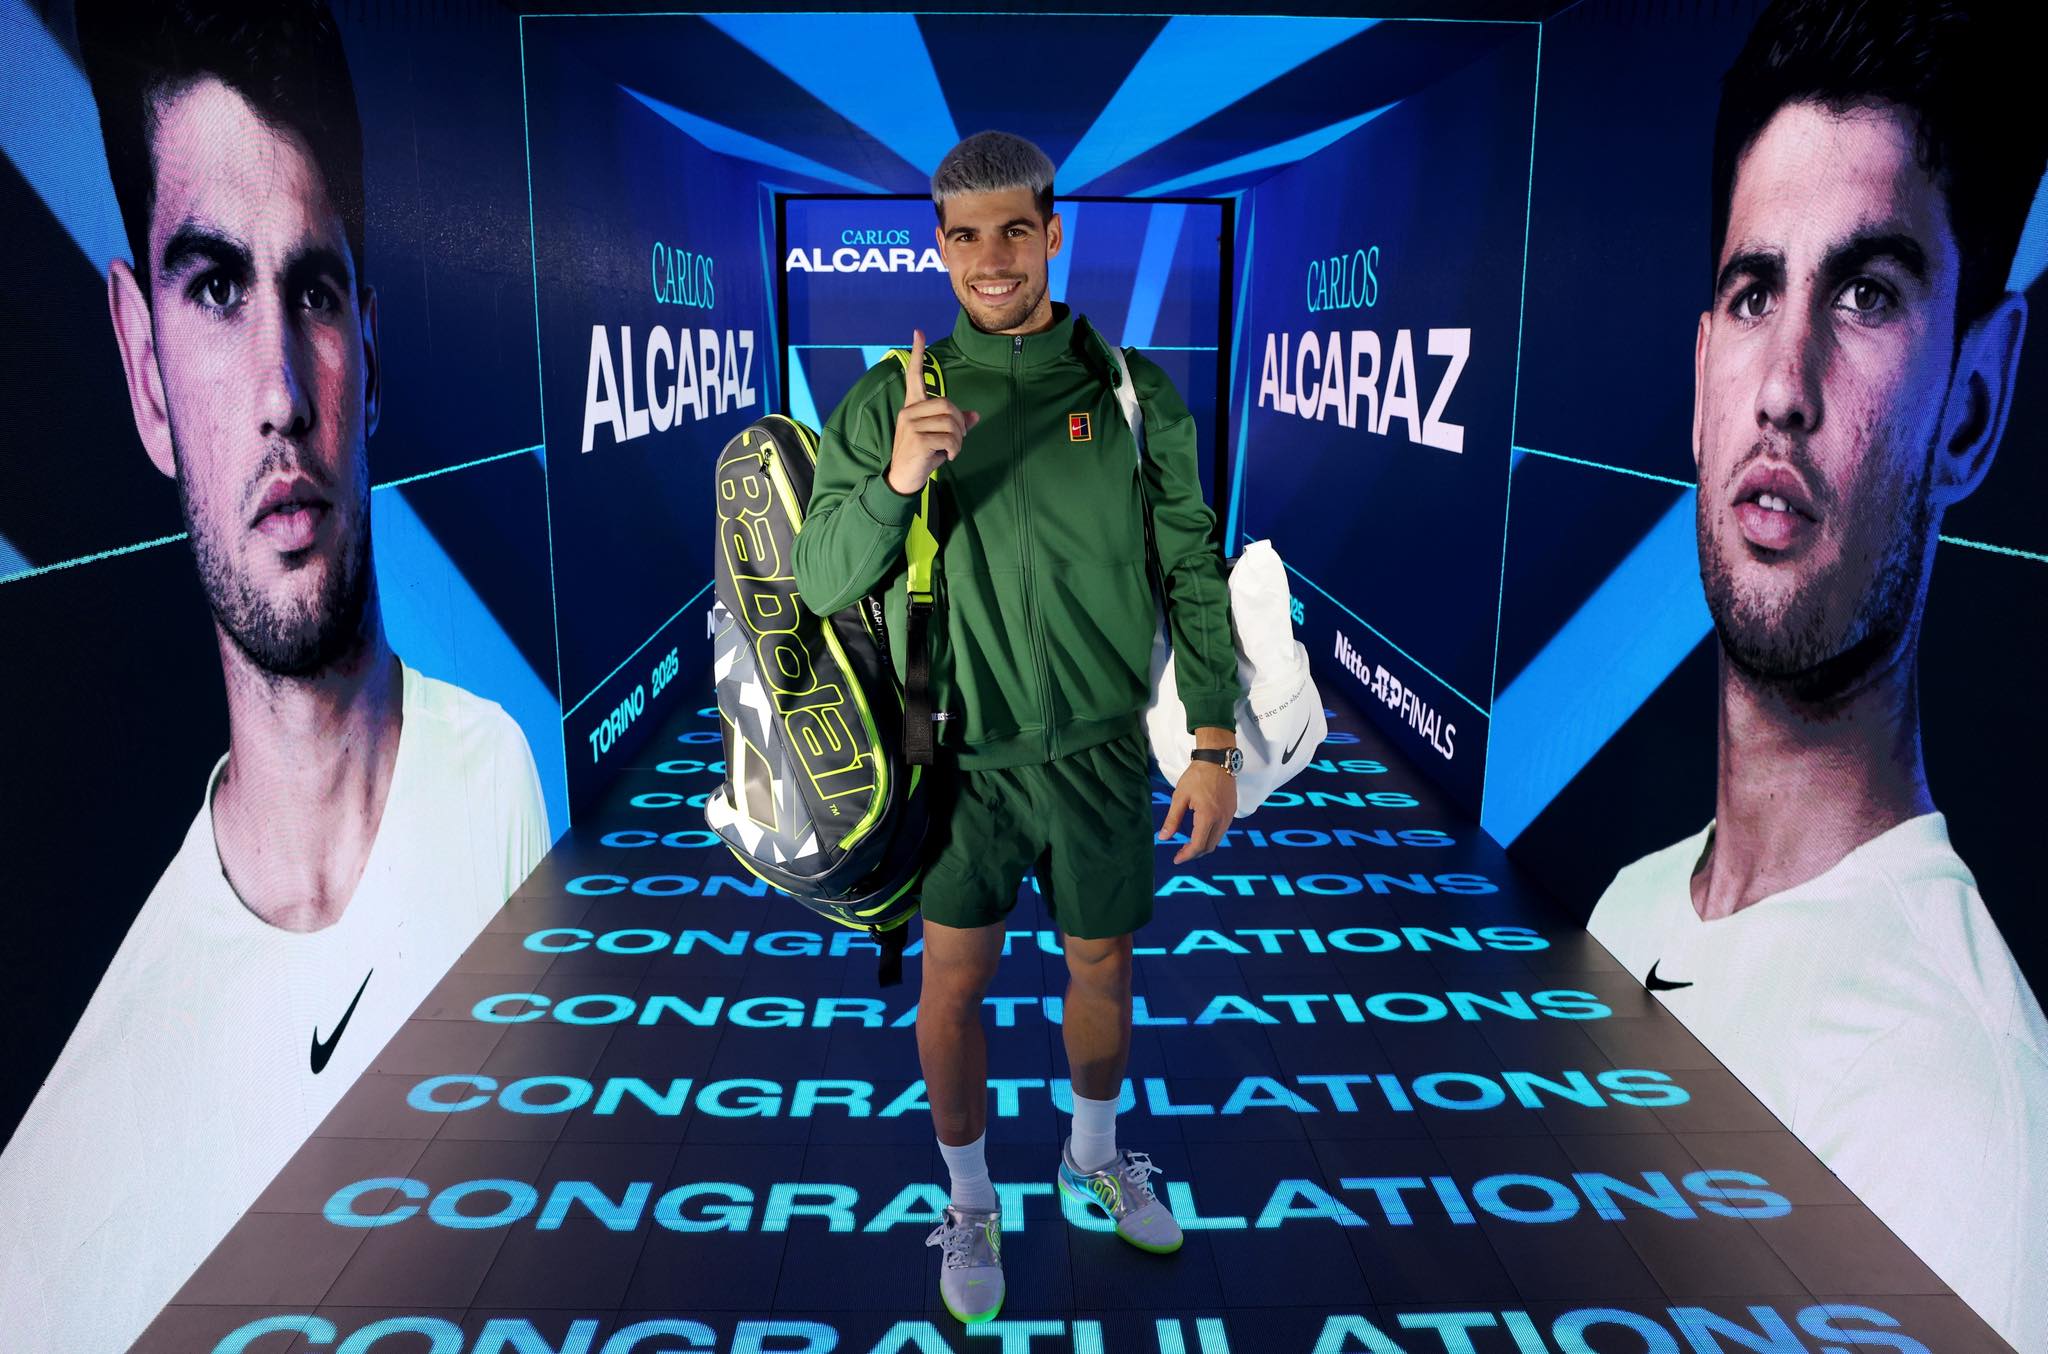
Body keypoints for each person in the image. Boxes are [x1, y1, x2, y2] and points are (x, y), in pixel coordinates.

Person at [0, 4, 549, 1349]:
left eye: (311, 293)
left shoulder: (502, 775)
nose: (279, 394)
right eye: (213, 289)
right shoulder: (51, 1196)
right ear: (144, 369)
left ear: (371, 352)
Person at [1586, 2, 2047, 1347]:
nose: (1783, 383)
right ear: (1701, 381)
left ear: (1970, 406)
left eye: (1867, 294)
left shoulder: (1969, 1131)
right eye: (1753, 293)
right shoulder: (1625, 910)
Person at [793, 130, 1243, 1324]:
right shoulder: (888, 397)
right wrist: (896, 479)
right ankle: (969, 1198)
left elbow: (1191, 568)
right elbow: (823, 579)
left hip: (1099, 752)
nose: (989, 259)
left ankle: (1091, 1157)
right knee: (953, 984)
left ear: (1052, 233)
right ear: (937, 248)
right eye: (963, 236)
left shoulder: (1132, 394)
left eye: (1011, 231)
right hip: (960, 762)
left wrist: (1210, 741)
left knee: (1102, 965)